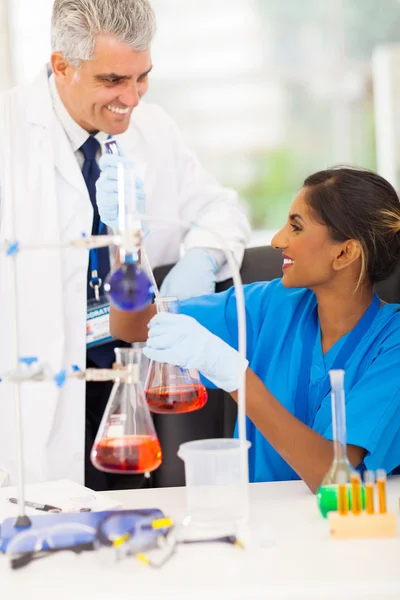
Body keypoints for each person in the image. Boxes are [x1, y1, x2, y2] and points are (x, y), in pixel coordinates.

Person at [0, 0, 250, 490]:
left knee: (129, 537)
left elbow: (222, 212)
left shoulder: (154, 131)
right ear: (61, 66)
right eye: (113, 80)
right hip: (34, 396)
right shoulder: (9, 134)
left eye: (143, 77)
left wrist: (199, 259)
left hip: (128, 377)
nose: (132, 98)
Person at [111, 167, 400, 493]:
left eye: (296, 227)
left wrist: (235, 375)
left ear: (345, 252)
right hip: (254, 518)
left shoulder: (393, 345)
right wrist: (126, 244)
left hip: (342, 531)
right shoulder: (270, 304)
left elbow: (334, 478)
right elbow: (130, 326)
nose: (278, 240)